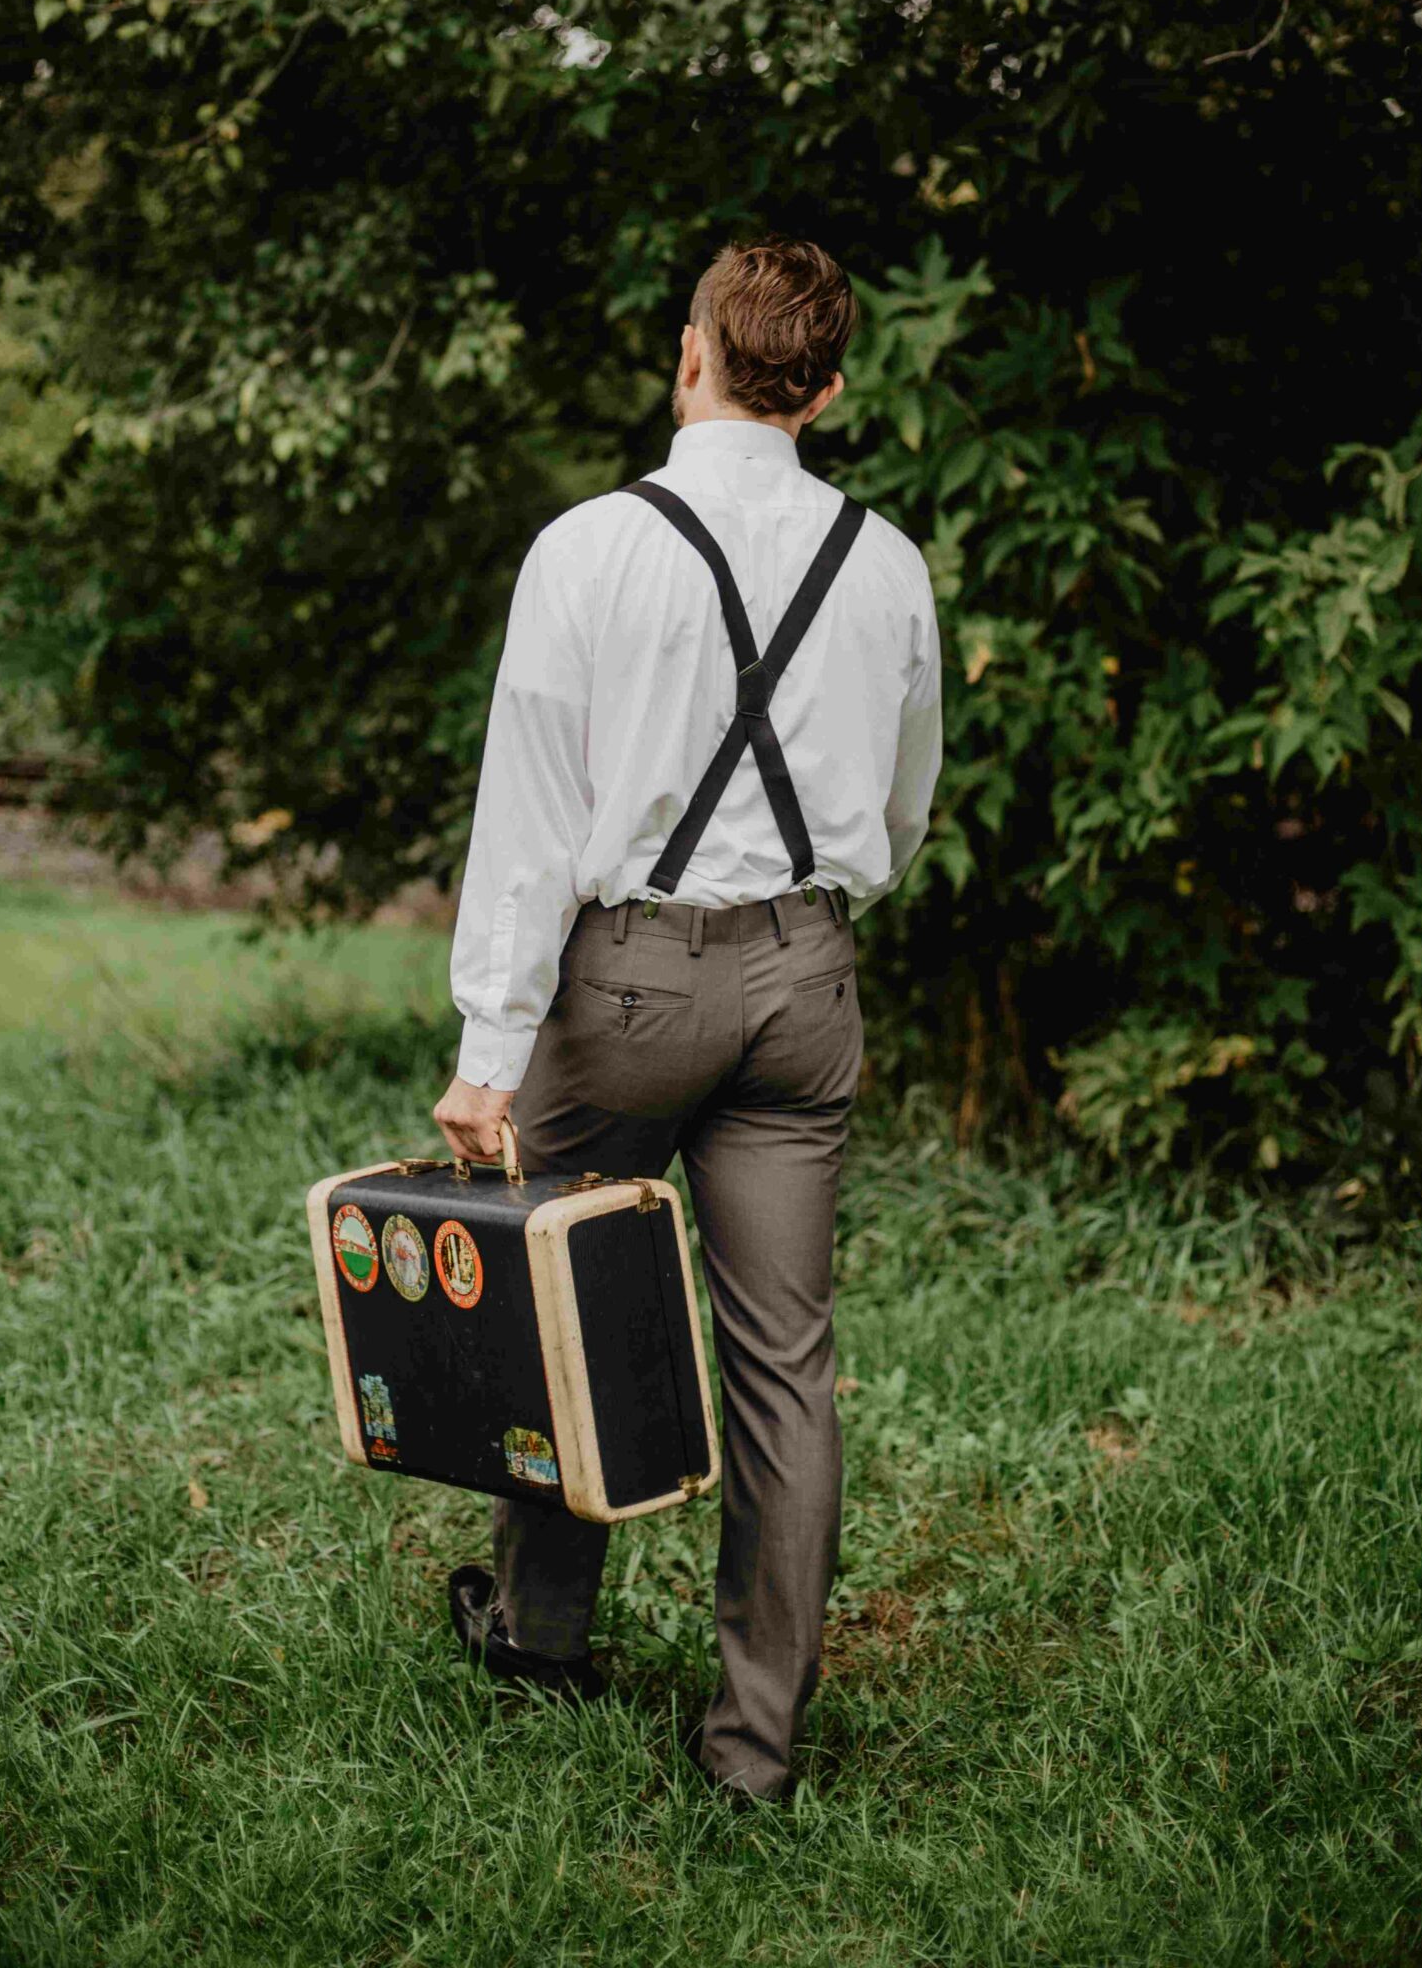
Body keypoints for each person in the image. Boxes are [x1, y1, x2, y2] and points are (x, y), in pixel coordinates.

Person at [431, 233, 943, 1802]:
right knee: (784, 1365)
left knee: (556, 1294)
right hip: (805, 981)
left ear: (689, 354)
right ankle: (751, 1753)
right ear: (832, 384)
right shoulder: (888, 561)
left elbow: (528, 821)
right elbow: (905, 809)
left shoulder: (589, 547)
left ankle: (536, 1637)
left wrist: (484, 1049)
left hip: (629, 981)